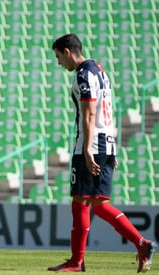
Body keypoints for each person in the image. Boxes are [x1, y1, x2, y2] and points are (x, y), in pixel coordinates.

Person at [48, 34, 156, 273]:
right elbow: (105, 109)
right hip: (107, 142)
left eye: (58, 57)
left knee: (80, 202)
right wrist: (111, 148)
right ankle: (142, 244)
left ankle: (77, 262)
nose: (59, 63)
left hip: (92, 144)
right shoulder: (100, 71)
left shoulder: (84, 74)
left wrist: (86, 149)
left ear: (67, 52)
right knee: (99, 204)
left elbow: (88, 113)